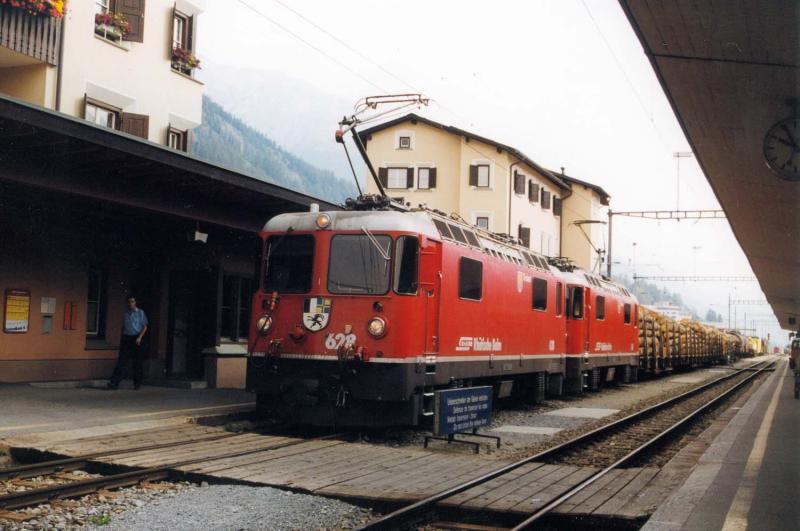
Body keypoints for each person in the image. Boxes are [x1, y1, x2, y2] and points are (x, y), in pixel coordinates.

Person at [108, 295, 148, 390]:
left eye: (132, 301)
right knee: (122, 361)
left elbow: (145, 326)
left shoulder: (140, 313)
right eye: (129, 302)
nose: (130, 304)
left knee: (137, 363)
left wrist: (139, 337)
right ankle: (114, 383)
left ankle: (137, 384)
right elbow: (123, 326)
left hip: (137, 338)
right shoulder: (126, 313)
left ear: (135, 302)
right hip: (127, 338)